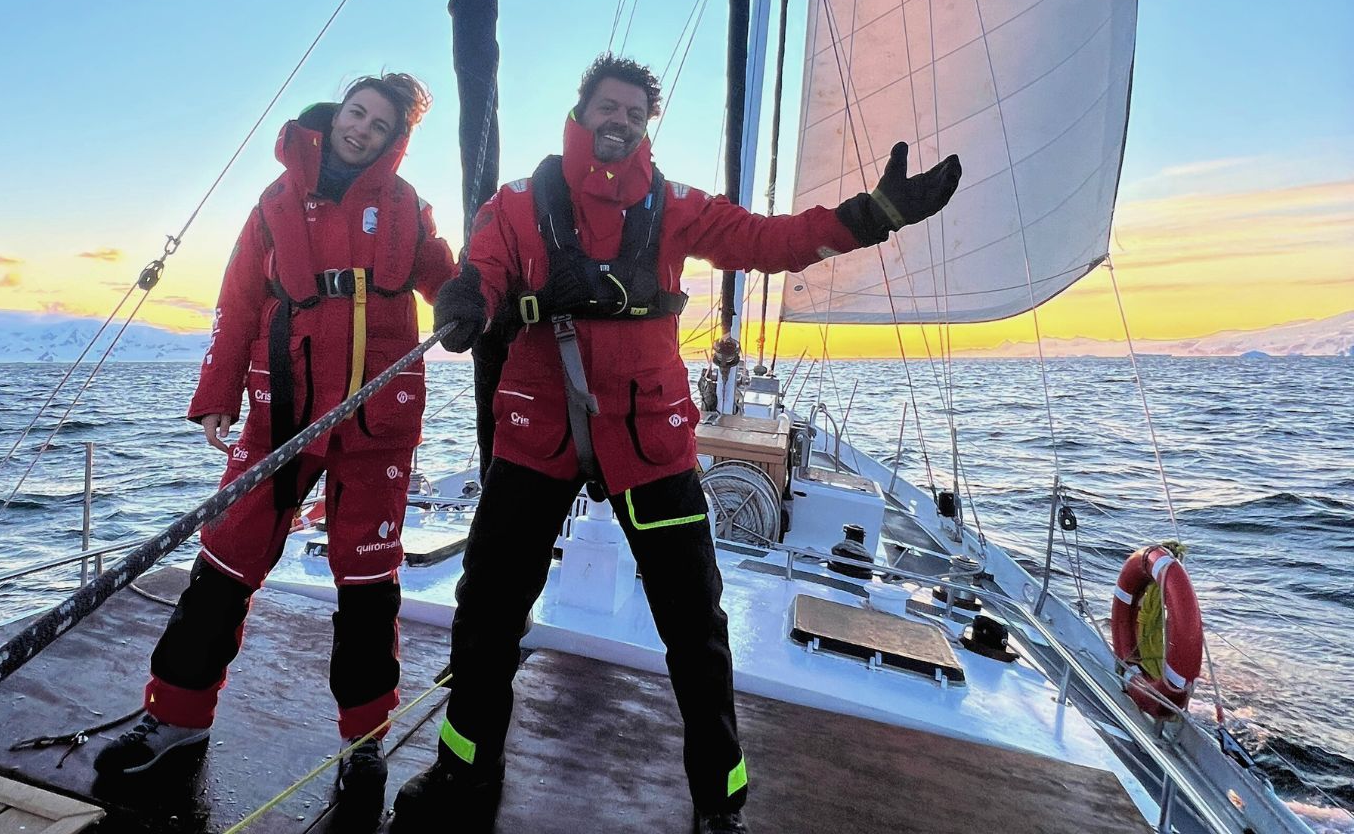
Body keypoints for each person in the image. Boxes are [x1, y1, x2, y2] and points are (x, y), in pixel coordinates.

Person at [392, 54, 960, 834]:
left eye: (633, 113)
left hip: (648, 442)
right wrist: (467, 298)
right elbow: (486, 269)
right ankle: (464, 768)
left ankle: (718, 803)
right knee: (486, 613)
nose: (619, 121)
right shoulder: (516, 203)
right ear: (581, 111)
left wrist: (873, 216)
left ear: (644, 126)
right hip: (535, 435)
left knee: (696, 625)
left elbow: (771, 241)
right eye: (608, 107)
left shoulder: (674, 205)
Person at [94, 73, 455, 834]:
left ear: (397, 140)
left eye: (381, 124)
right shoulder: (276, 201)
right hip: (280, 410)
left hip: (376, 422)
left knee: (367, 585)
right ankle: (175, 721)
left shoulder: (405, 207)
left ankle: (364, 742)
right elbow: (237, 302)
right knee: (224, 562)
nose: (363, 129)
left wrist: (469, 297)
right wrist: (218, 393)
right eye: (357, 113)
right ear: (337, 115)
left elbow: (443, 279)